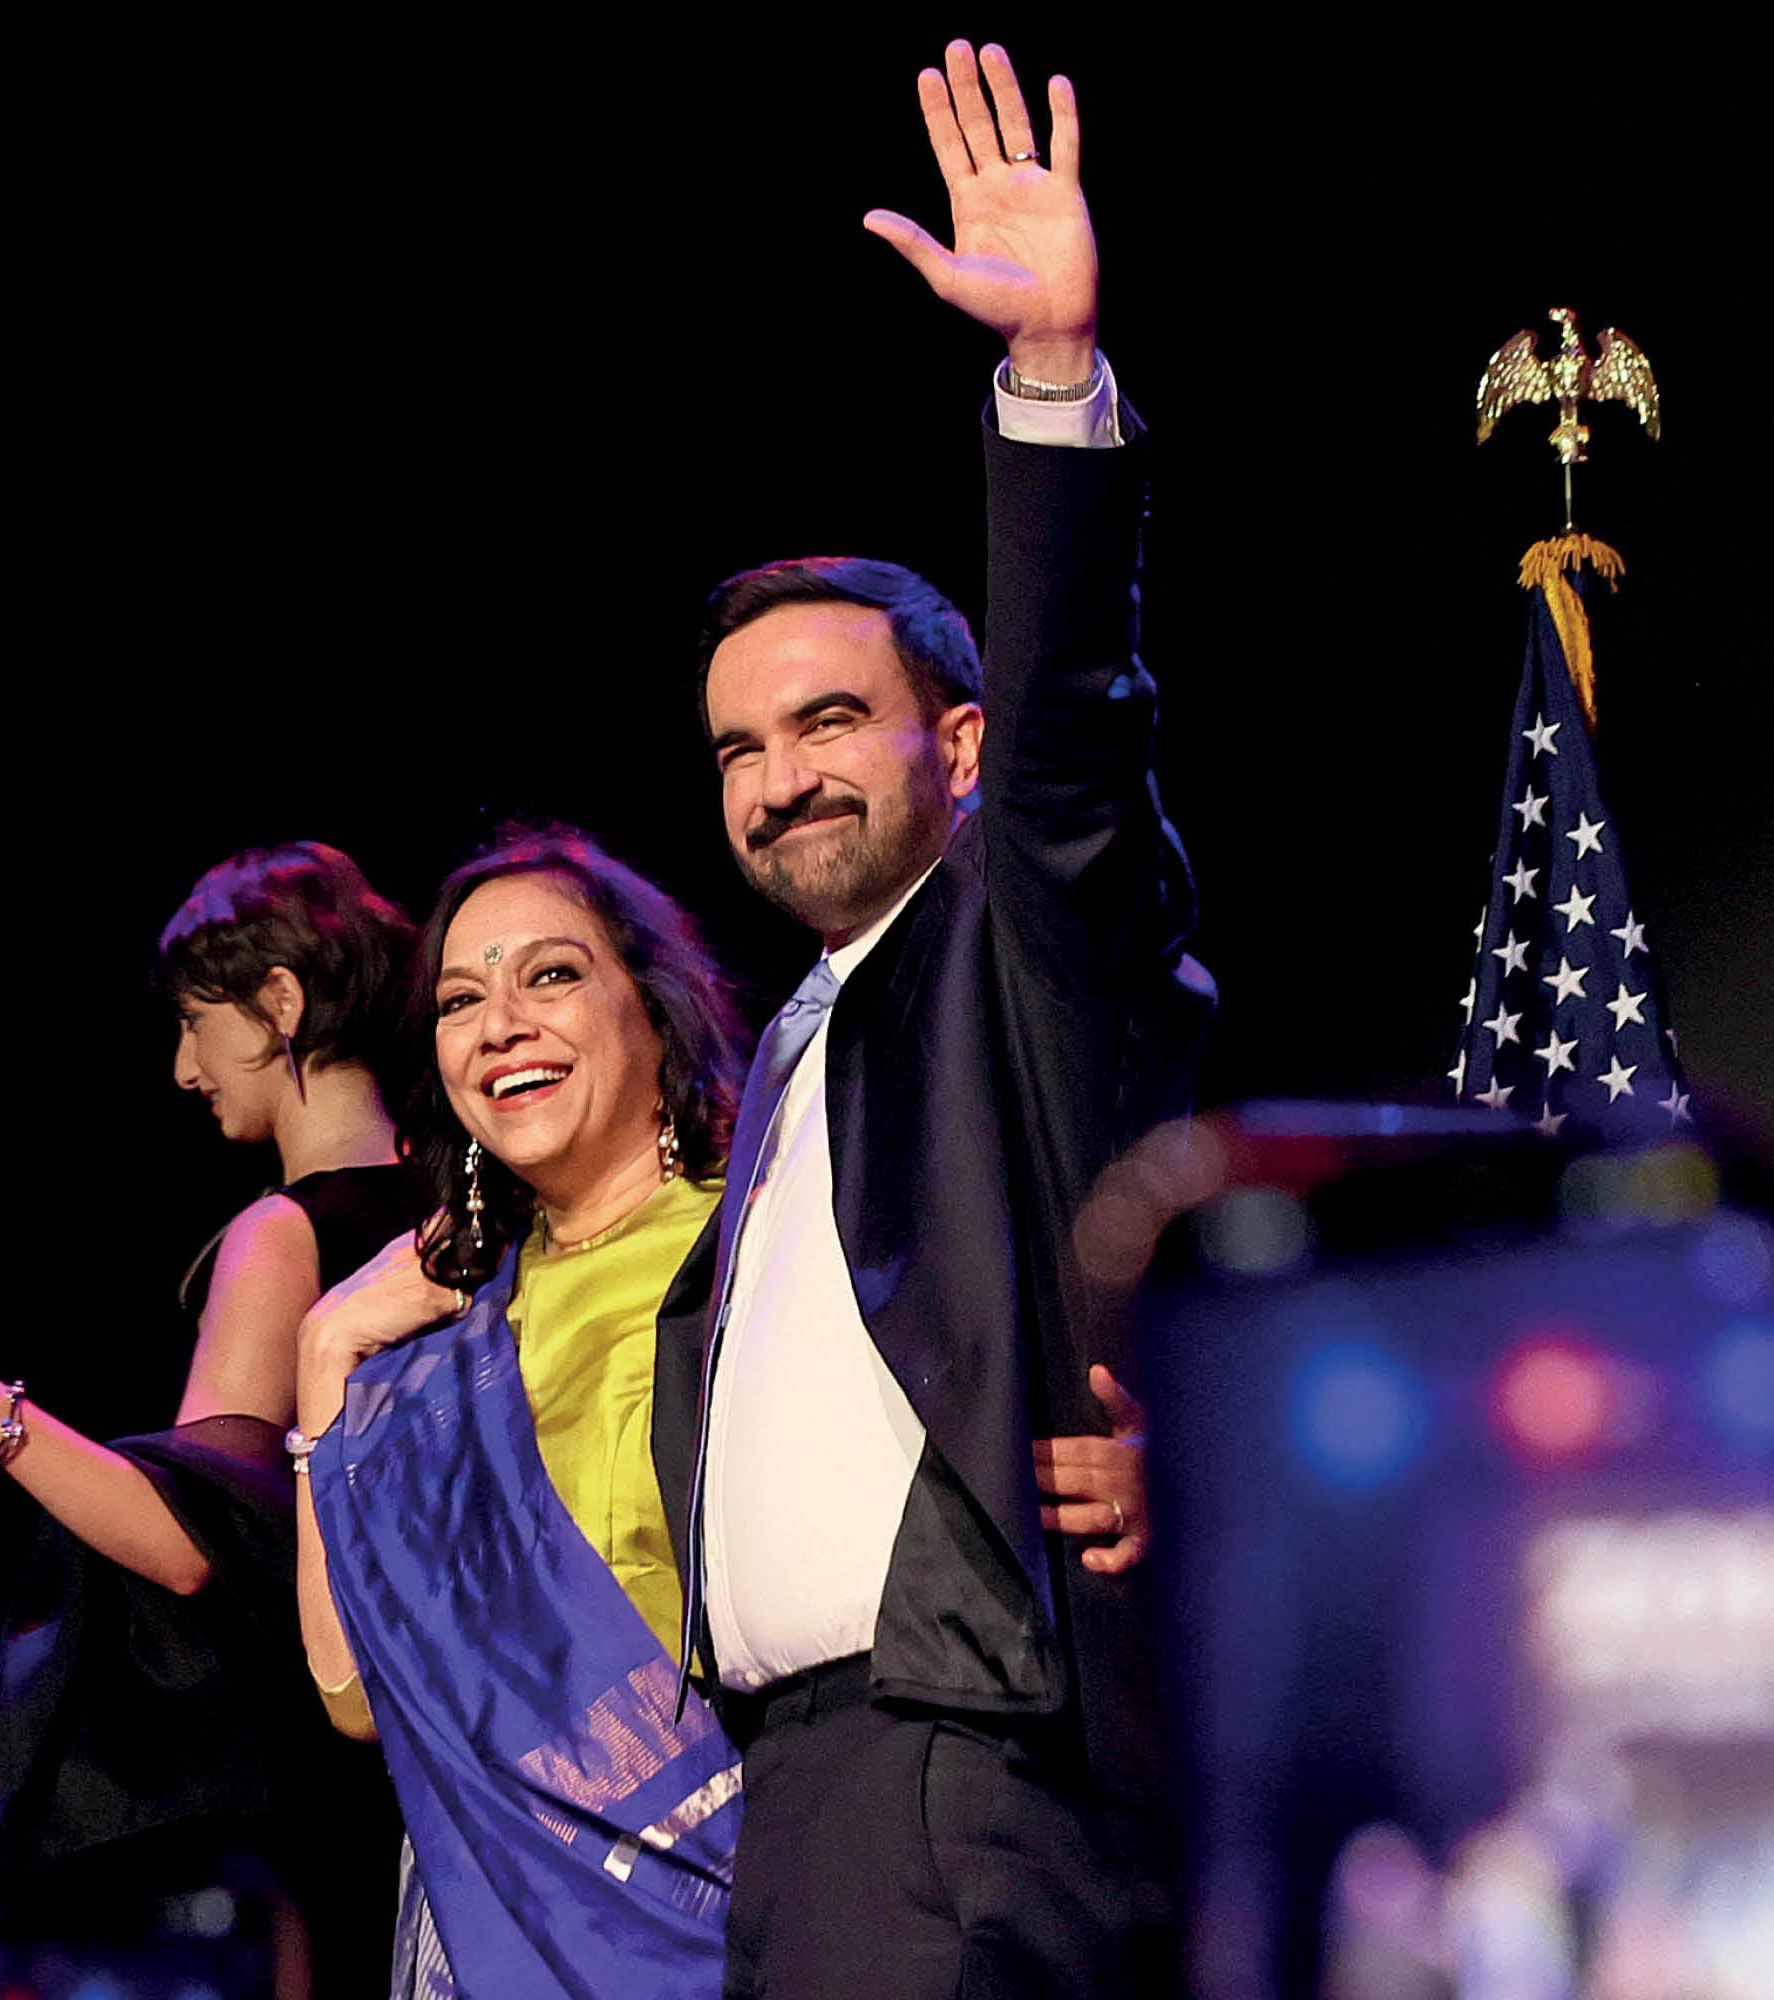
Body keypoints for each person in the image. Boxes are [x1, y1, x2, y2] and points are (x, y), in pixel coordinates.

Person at [667, 41, 1214, 2000]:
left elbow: (1077, 744)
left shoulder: (1009, 937)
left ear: (956, 746)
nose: (778, 779)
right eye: (739, 747)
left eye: (827, 721)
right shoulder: (795, 1041)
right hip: (800, 1798)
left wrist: (1049, 379)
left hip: (960, 1773)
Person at [0, 840, 424, 1989]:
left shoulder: (284, 1234)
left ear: (280, 1002)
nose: (182, 1066)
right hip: (430, 1747)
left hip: (298, 1772)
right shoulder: (461, 1213)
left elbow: (189, 1541)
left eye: (195, 1021)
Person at [291, 827, 746, 1999]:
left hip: (738, 1895)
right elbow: (353, 1693)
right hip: (501, 1923)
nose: (498, 1025)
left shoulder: (762, 1244)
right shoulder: (444, 1353)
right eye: (459, 999)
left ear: (656, 1010)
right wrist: (326, 1350)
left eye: (551, 974)